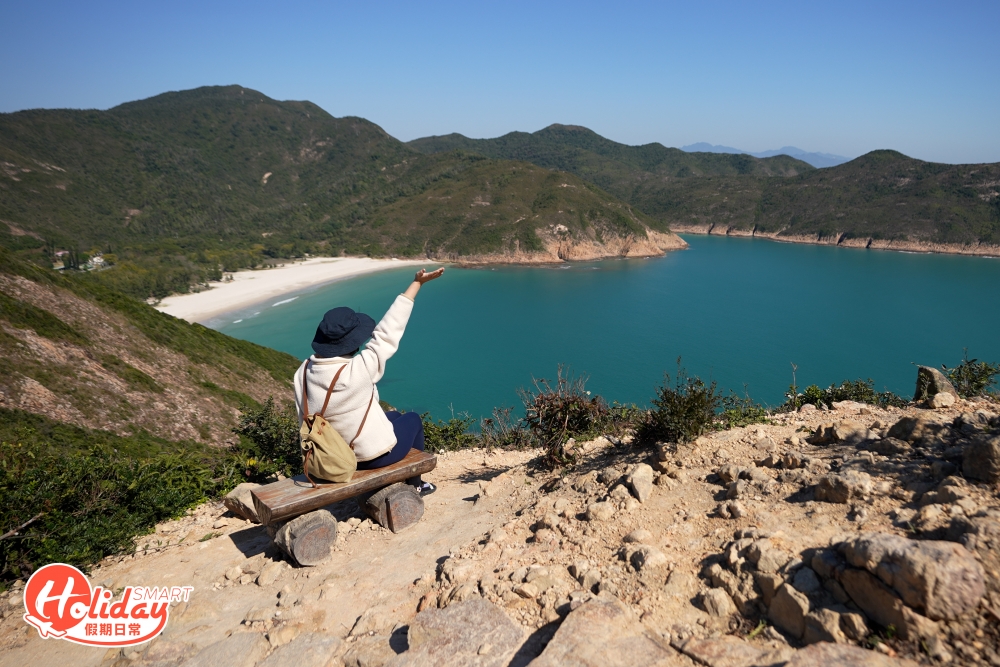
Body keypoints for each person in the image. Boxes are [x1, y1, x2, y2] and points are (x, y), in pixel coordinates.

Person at [293, 267, 445, 494]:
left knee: (392, 416)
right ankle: (416, 484)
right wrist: (417, 284)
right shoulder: (358, 370)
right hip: (366, 458)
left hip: (330, 456)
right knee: (412, 419)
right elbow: (387, 333)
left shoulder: (302, 372)